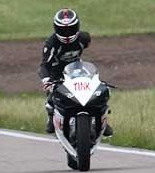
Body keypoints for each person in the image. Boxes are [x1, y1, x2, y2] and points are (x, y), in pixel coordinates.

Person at [39, 8, 113, 136]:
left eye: (70, 29)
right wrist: (47, 80)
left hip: (77, 69)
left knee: (96, 89)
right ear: (56, 28)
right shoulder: (51, 44)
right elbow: (44, 65)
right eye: (63, 30)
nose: (67, 33)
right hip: (57, 72)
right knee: (52, 97)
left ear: (77, 27)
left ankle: (101, 118)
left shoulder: (84, 38)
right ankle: (52, 117)